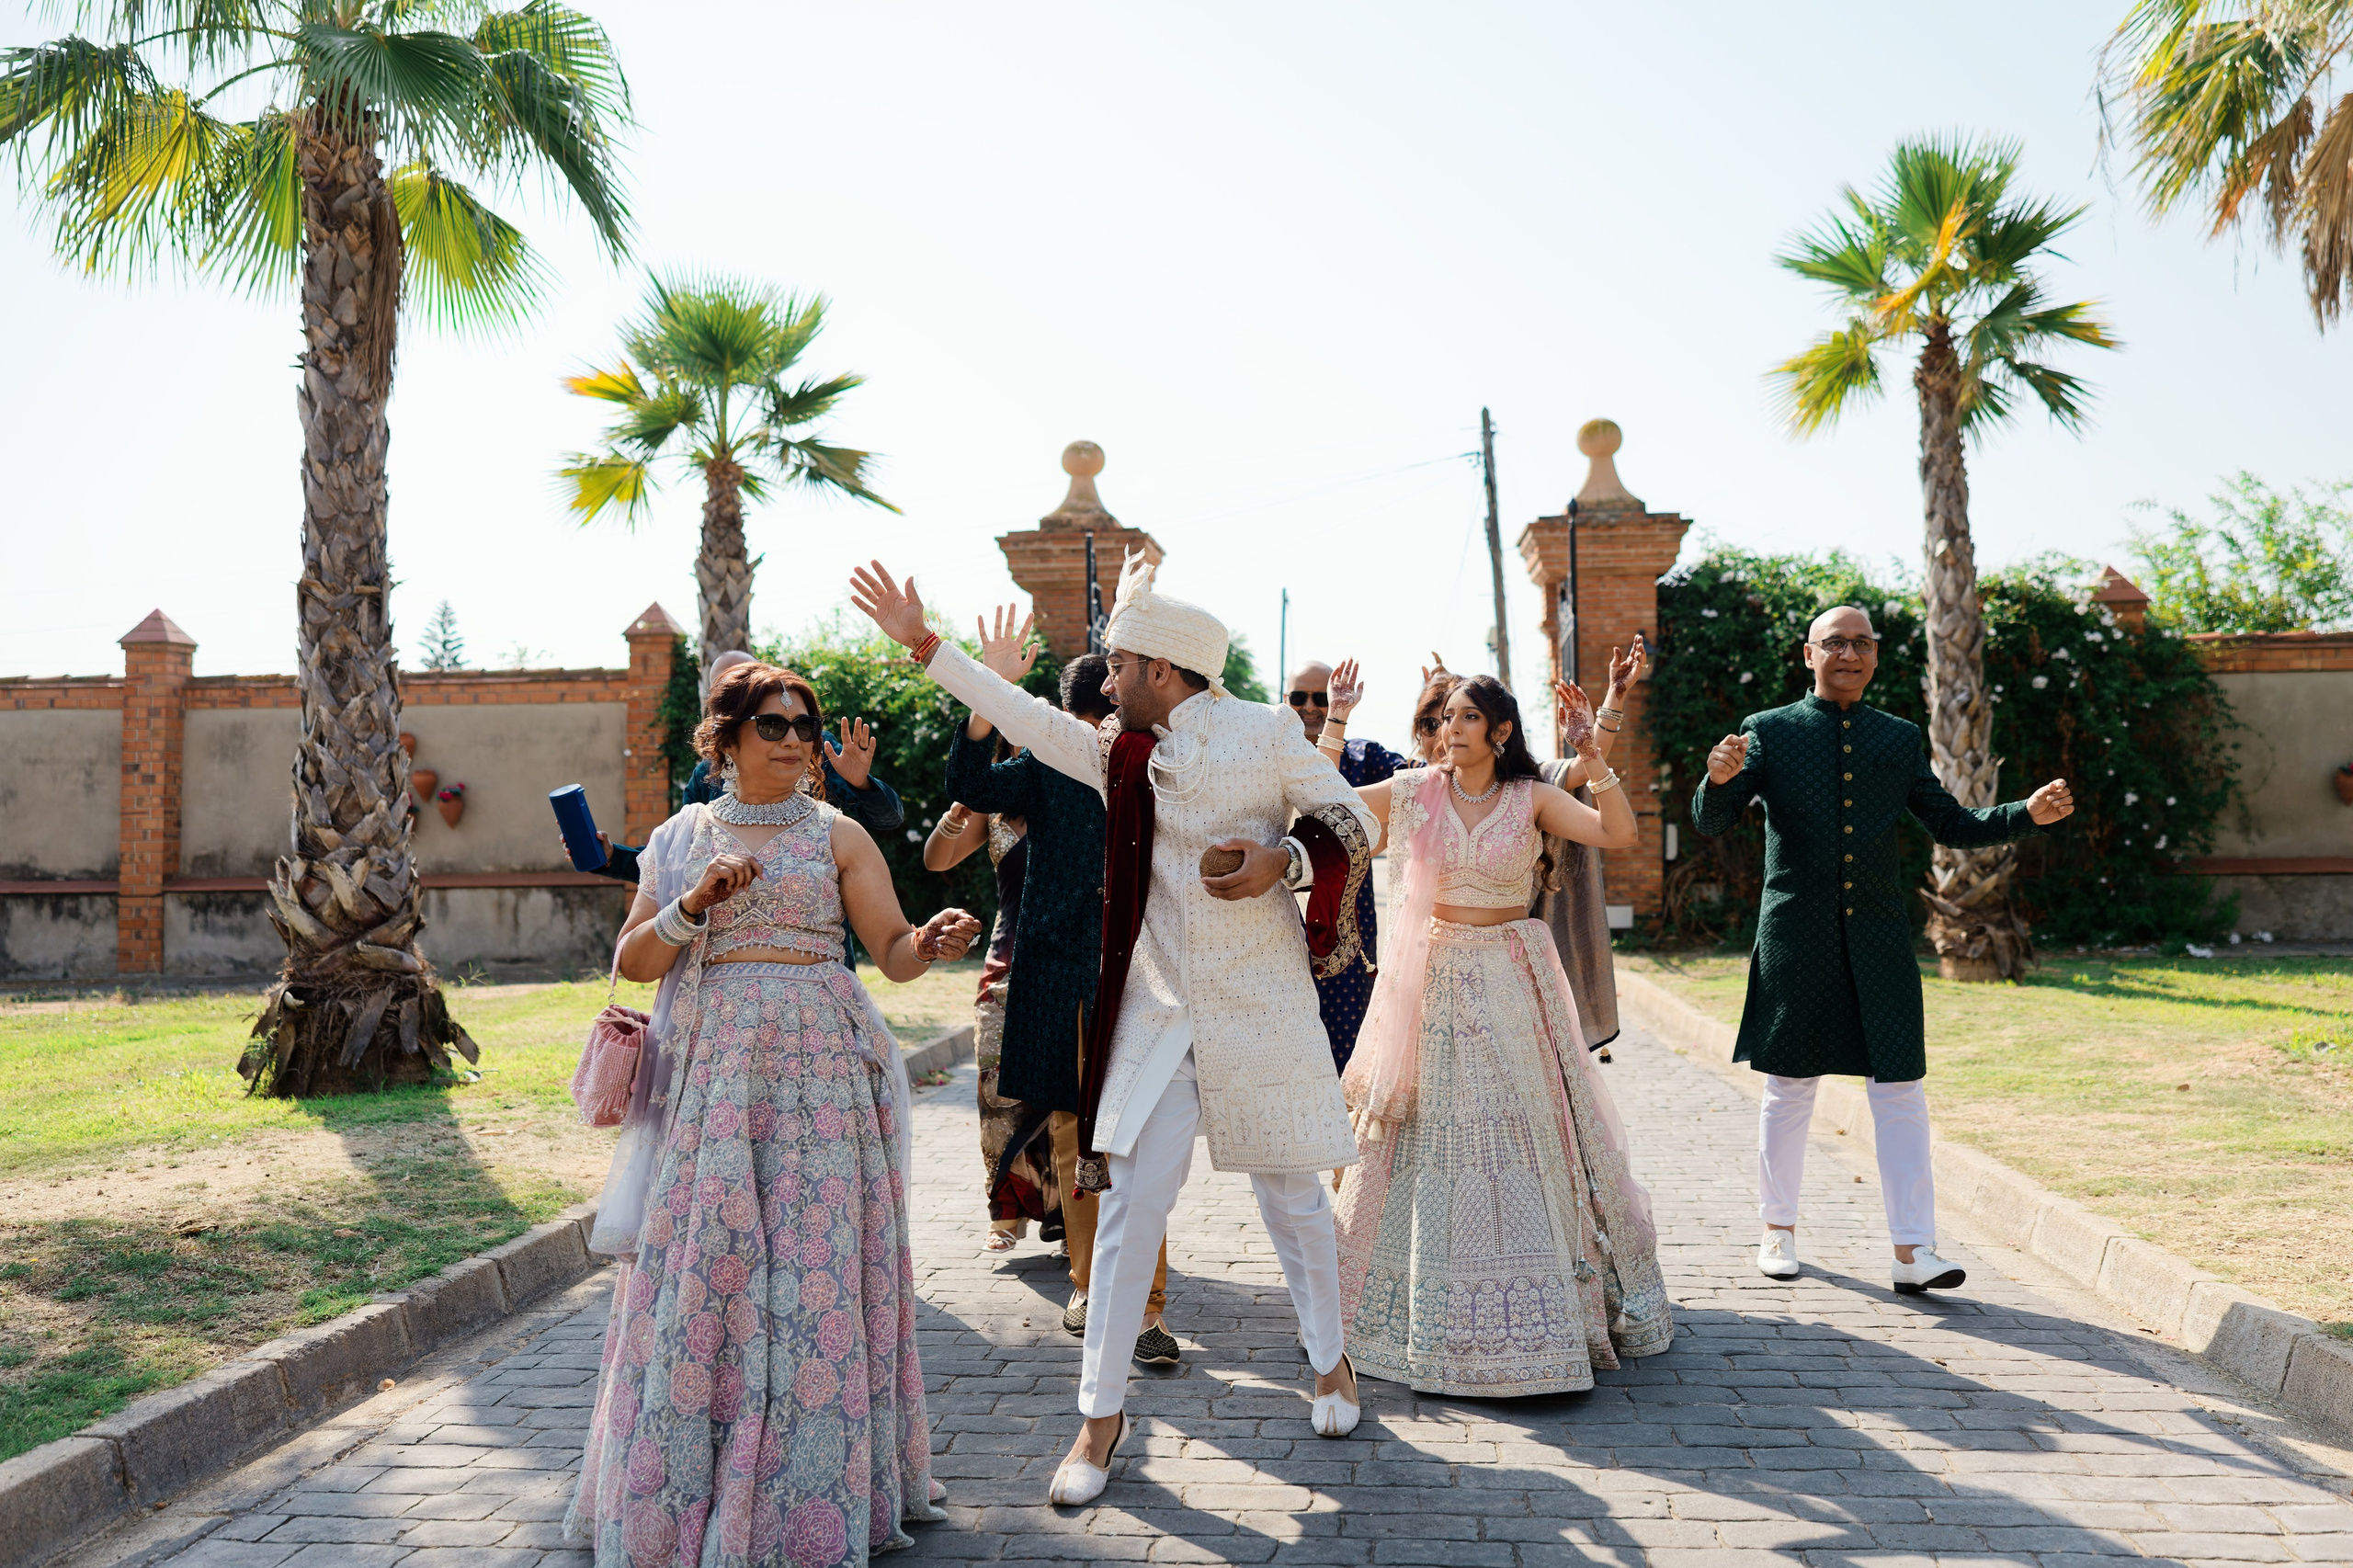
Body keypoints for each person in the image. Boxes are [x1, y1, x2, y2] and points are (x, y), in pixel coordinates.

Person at [848, 553, 1378, 1509]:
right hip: (1157, 1007)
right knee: (1131, 1201)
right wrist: (924, 643)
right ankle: (1099, 1416)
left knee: (1293, 1197)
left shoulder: (1263, 732)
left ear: (1166, 671)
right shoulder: (1114, 748)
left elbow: (1349, 817)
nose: (1106, 677)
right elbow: (1027, 720)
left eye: (1121, 662)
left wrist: (1281, 857)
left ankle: (1331, 1363)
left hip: (1259, 1000)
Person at [567, 661, 981, 1566]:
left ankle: (809, 1493)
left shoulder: (837, 833)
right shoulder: (680, 836)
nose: (794, 738)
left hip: (823, 1081)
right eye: (772, 724)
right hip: (710, 1080)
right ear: (726, 735)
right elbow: (634, 960)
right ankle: (688, 1481)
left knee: (815, 1268)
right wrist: (692, 902)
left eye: (803, 722)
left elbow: (891, 949)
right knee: (702, 1265)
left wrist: (931, 941)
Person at [1691, 605, 2075, 1292]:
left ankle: (1914, 1253)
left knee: (1901, 1091)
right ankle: (1777, 1232)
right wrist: (1717, 779)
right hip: (1795, 936)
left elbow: (1950, 822)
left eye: (1862, 643)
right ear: (1807, 655)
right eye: (1835, 642)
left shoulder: (1898, 739)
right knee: (1789, 1088)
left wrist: (2024, 814)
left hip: (1878, 941)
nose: (1850, 653)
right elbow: (1712, 821)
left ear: (1876, 656)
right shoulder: (1767, 732)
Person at [1334, 675, 1675, 1395]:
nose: (1450, 728)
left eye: (1468, 718)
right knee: (1427, 1142)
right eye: (1445, 717)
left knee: (1521, 1140)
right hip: (1430, 987)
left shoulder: (1532, 799)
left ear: (1501, 732)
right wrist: (1334, 721)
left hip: (1515, 987)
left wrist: (1594, 754)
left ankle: (1542, 1315)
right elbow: (1327, 813)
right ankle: (1415, 1312)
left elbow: (1620, 832)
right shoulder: (1414, 792)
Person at [938, 651, 1176, 1364]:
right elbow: (971, 782)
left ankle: (1146, 1308)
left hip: (1139, 976)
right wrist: (986, 698)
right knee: (1075, 1139)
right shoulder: (1046, 761)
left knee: (1134, 1139)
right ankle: (1088, 1284)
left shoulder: (1161, 763)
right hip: (1055, 975)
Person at [584, 650, 905, 885]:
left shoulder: (814, 748)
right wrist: (612, 857)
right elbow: (676, 860)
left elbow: (889, 821)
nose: (791, 740)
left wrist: (863, 784)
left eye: (753, 684)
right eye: (733, 690)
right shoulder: (705, 776)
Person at [924, 786, 1060, 1256]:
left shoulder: (1078, 793)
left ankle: (1069, 1212)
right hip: (1005, 967)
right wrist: (956, 816)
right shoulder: (993, 804)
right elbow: (936, 861)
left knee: (1065, 1092)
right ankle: (1005, 1212)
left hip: (1067, 964)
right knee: (996, 1089)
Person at [1286, 659, 1411, 1073]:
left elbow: (1422, 785)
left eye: (1321, 698)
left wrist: (1435, 717)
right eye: (1298, 697)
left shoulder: (1364, 756)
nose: (1310, 707)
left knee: (1347, 1051)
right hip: (1275, 924)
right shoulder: (1260, 757)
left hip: (1347, 932)